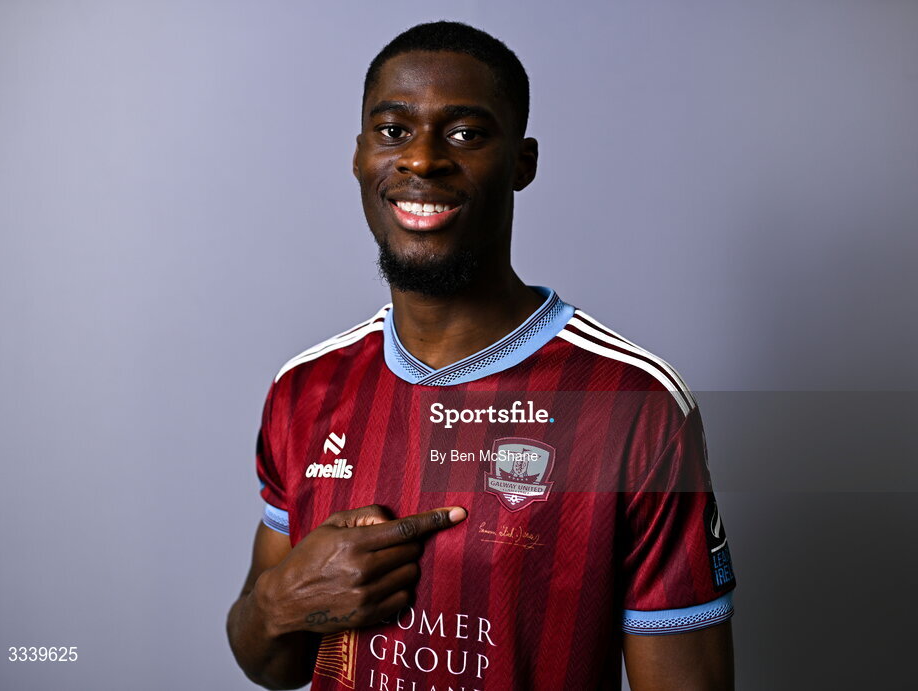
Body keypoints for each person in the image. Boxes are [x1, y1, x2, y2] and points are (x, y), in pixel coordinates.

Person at [226, 20, 735, 691]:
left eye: (465, 132)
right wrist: (276, 602)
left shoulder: (630, 403)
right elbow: (269, 660)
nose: (423, 159)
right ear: (358, 157)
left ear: (521, 162)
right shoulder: (305, 388)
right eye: (393, 130)